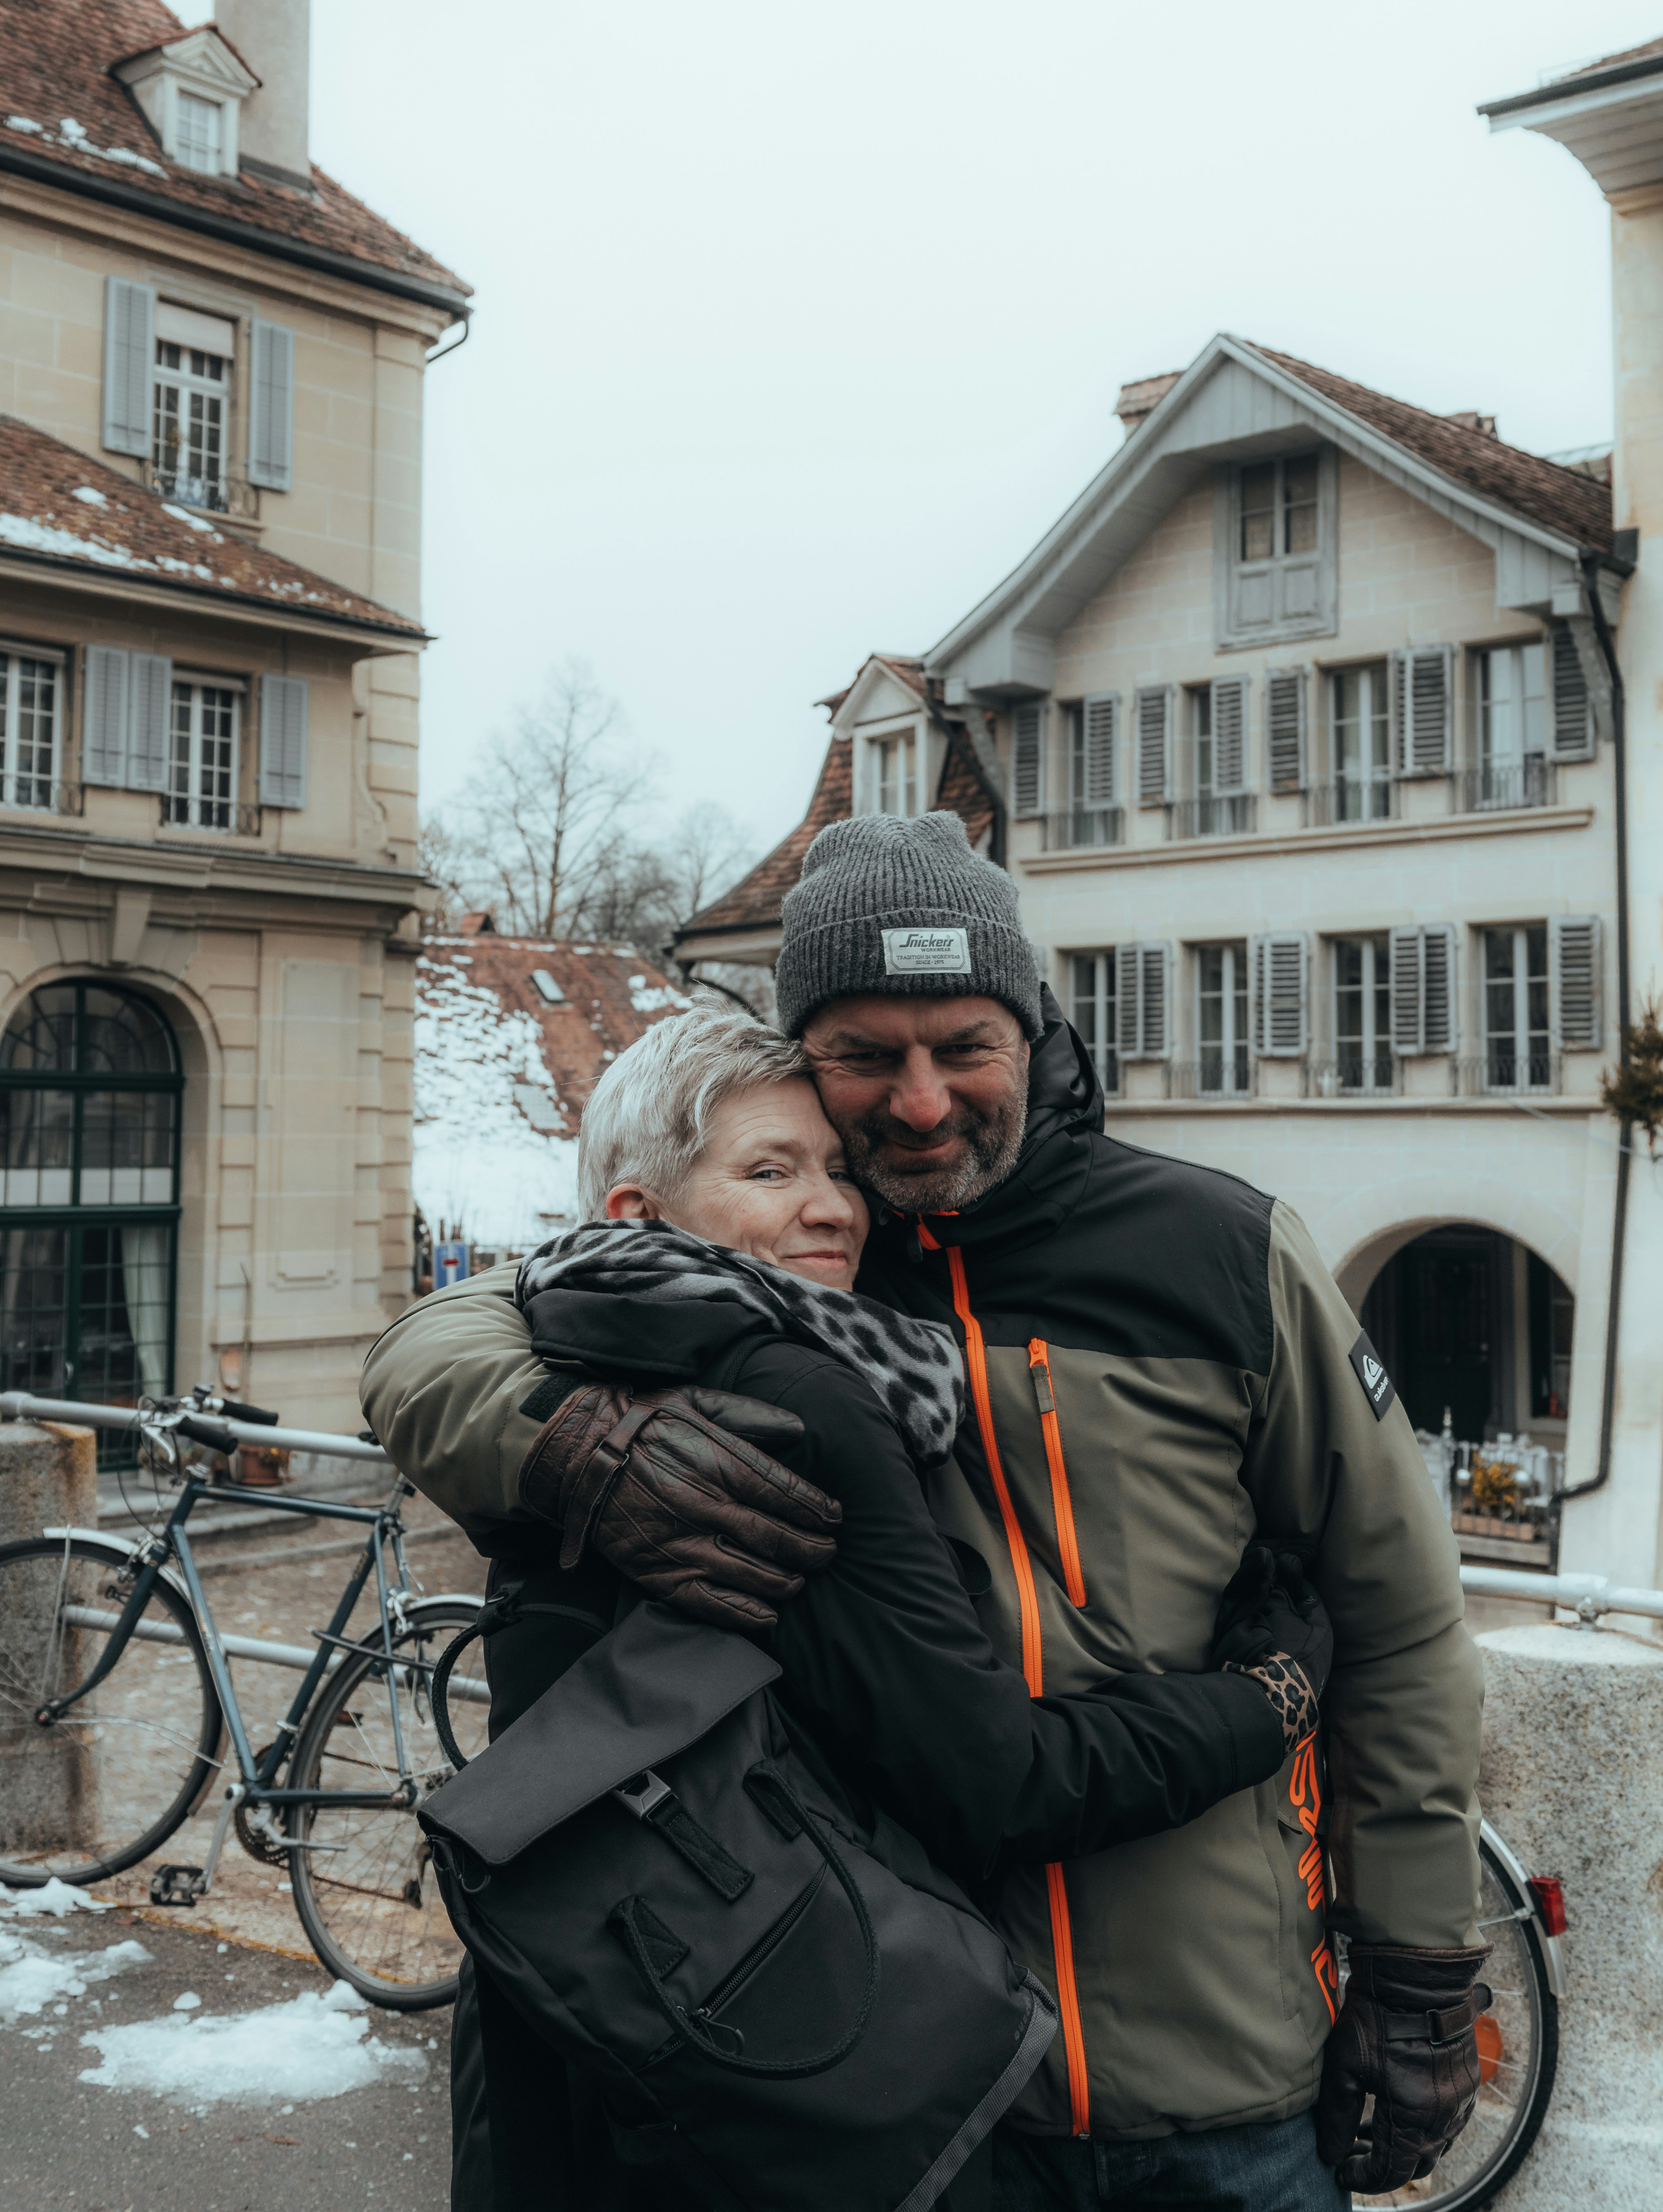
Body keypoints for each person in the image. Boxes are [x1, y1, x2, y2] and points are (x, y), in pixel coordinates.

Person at [368, 811, 1485, 2210]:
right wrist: (570, 1445)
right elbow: (456, 1331)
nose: (917, 1104)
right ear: (806, 1062)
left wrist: (1423, 1967)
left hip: (1225, 2069)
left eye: (963, 1044)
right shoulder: (801, 1255)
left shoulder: (1217, 1248)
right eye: (862, 1055)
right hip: (925, 2089)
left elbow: (1397, 1610)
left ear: (1030, 1028)